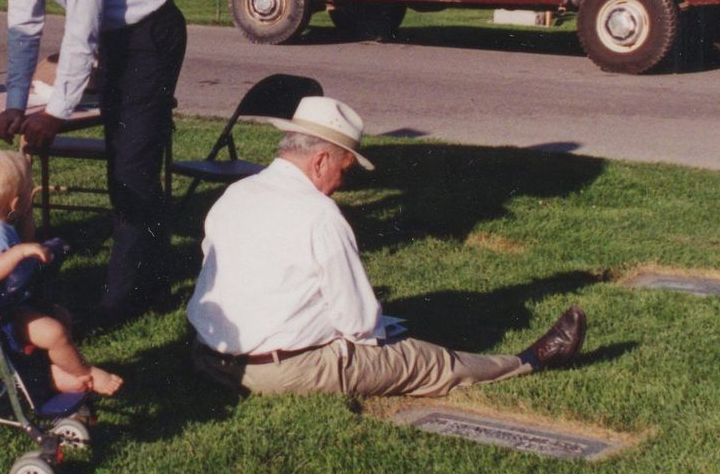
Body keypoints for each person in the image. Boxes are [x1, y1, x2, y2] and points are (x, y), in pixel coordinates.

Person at [185, 96, 586, 399]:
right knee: (426, 361)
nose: (342, 183)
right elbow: (358, 323)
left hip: (208, 358)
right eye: (344, 170)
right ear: (321, 160)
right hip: (280, 372)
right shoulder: (319, 214)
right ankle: (527, 362)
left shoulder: (236, 194)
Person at [0, 0, 186, 318]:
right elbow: (23, 28)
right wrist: (14, 104)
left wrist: (56, 113)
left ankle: (124, 299)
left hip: (151, 33)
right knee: (127, 161)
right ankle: (152, 276)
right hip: (116, 38)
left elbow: (80, 32)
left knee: (133, 164)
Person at [0, 149, 124, 397]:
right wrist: (19, 252)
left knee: (61, 316)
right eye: (29, 190)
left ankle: (55, 372)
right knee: (54, 333)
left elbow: (27, 244)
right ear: (15, 203)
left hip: (8, 305)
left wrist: (26, 222)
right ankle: (85, 372)